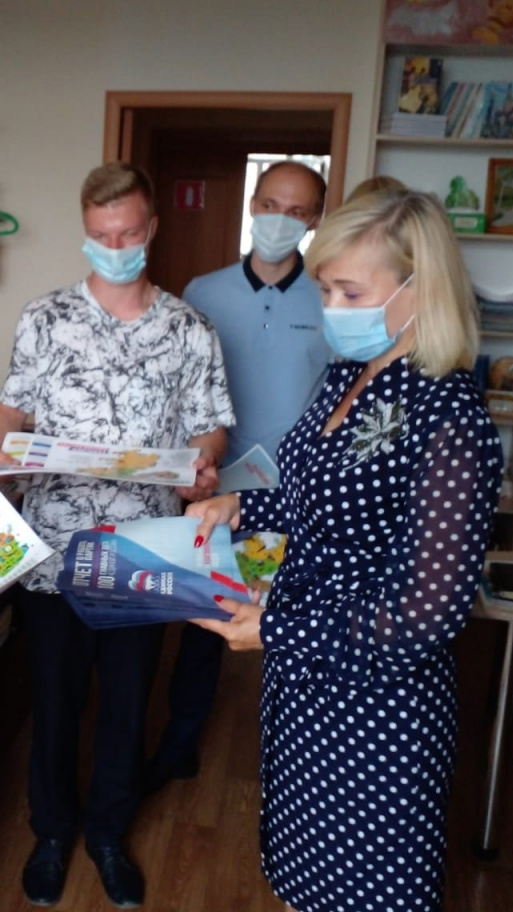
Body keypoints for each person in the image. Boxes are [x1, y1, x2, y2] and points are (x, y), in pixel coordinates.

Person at [186, 190, 503, 912]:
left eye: (350, 292)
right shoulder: (349, 377)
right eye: (326, 288)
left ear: (421, 289)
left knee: (361, 890)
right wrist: (243, 506)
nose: (331, 307)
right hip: (304, 689)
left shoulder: (449, 419)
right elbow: (321, 501)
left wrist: (276, 628)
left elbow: (426, 616)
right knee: (303, 882)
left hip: (375, 713)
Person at [0, 161, 233, 909]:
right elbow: (11, 409)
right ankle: (52, 833)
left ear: (151, 230)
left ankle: (110, 834)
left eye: (127, 234)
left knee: (125, 703)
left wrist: (203, 463)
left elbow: (210, 425)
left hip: (144, 551)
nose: (114, 247)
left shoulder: (189, 330)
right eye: (100, 235)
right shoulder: (45, 318)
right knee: (52, 703)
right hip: (53, 549)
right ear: (85, 233)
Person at [148, 161, 329, 792]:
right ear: (253, 204)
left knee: (297, 623)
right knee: (206, 624)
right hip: (220, 490)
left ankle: (295, 762)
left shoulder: (329, 298)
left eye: (297, 211)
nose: (281, 219)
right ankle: (179, 745)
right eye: (271, 204)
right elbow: (181, 393)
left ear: (315, 220)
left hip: (299, 495)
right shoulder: (203, 291)